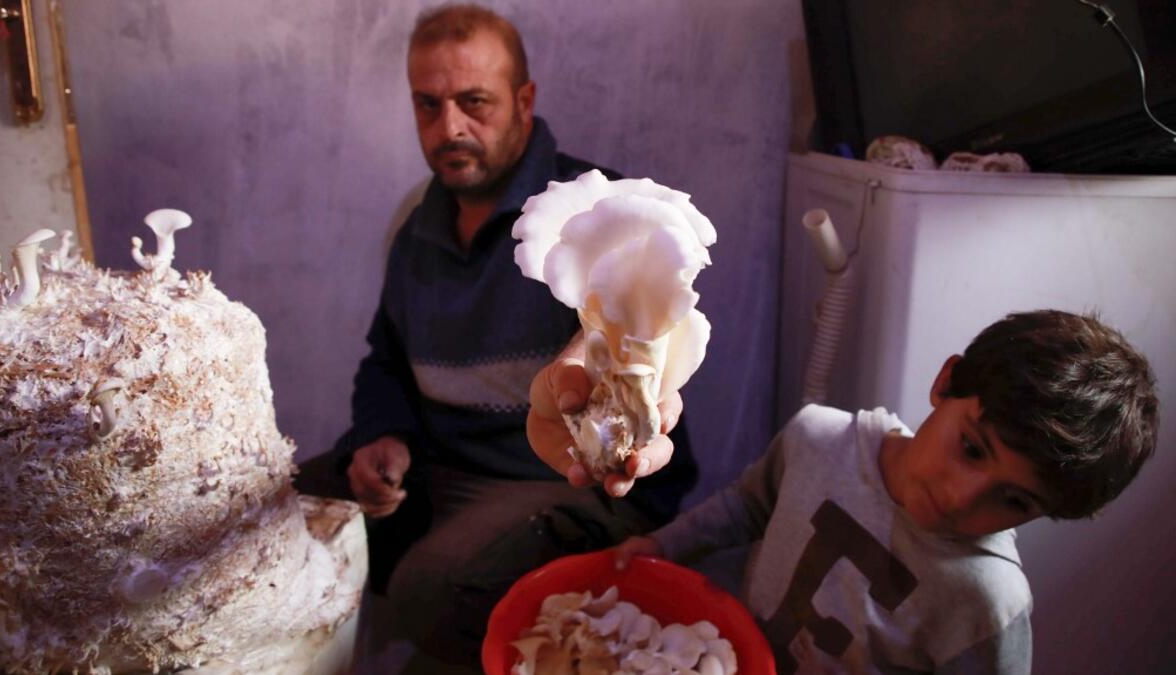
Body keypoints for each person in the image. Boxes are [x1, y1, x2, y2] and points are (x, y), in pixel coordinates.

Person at [295, 4, 697, 668]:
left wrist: (617, 377)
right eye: (428, 105)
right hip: (439, 466)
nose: (449, 126)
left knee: (434, 586)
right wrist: (380, 437)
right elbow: (386, 359)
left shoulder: (600, 215)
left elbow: (646, 368)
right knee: (275, 509)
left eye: (473, 102)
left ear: (523, 99)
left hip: (559, 483)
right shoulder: (416, 222)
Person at [535, 309, 1158, 674]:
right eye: (972, 447)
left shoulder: (989, 601)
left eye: (1014, 501)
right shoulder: (819, 437)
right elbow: (746, 506)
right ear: (946, 382)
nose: (962, 496)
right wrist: (660, 547)